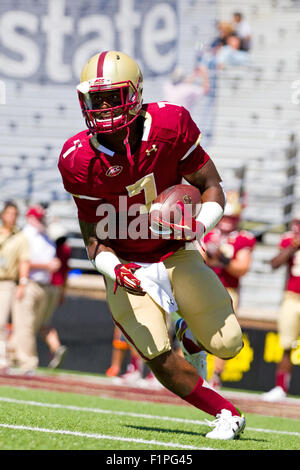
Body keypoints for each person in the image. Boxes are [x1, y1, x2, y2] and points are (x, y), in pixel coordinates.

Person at [58, 50, 246, 440]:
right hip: (128, 262)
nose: (104, 107)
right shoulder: (77, 160)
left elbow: (212, 187)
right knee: (155, 352)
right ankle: (226, 412)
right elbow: (94, 239)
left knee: (228, 345)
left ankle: (189, 332)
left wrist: (197, 225)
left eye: (113, 96)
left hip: (174, 250)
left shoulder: (170, 123)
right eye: (97, 99)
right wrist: (114, 269)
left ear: (136, 91)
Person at [203, 191, 256, 388]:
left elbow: (241, 268)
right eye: (225, 217)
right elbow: (199, 259)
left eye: (231, 218)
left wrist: (221, 259)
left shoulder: (242, 238)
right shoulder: (209, 232)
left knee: (225, 333)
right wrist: (214, 257)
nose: (227, 222)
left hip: (228, 289)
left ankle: (216, 375)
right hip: (204, 285)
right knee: (191, 327)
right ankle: (189, 371)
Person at [11, 205, 61, 374]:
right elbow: (21, 261)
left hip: (44, 285)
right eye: (39, 218)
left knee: (32, 325)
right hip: (29, 283)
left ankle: (10, 356)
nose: (42, 221)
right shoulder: (25, 235)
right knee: (24, 325)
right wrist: (47, 265)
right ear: (30, 218)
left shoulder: (45, 235)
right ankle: (27, 363)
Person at [262, 214, 300, 401]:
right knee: (287, 344)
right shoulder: (290, 241)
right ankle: (281, 387)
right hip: (293, 297)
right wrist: (294, 246)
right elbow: (275, 263)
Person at [0, 201, 30, 371]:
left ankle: (4, 358)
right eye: (9, 213)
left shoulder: (20, 237)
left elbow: (24, 261)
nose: (11, 217)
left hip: (7, 282)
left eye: (14, 214)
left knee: (1, 321)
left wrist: (22, 283)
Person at [38, 221, 70, 369]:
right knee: (44, 323)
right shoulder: (66, 249)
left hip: (46, 286)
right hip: (57, 289)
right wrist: (63, 293)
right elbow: (65, 274)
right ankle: (56, 347)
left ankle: (55, 348)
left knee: (36, 323)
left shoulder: (49, 247)